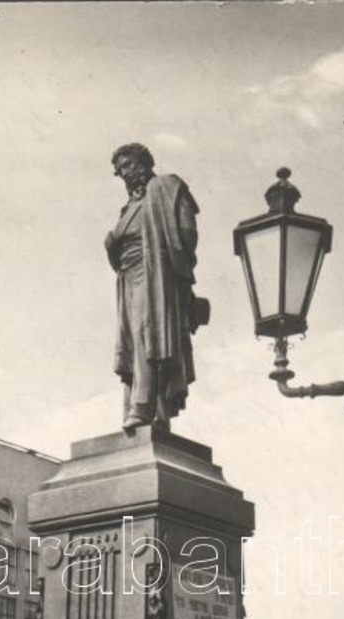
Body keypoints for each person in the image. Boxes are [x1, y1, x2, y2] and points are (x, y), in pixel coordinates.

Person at [105, 143, 209, 430]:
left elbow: (187, 232)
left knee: (146, 336)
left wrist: (172, 268)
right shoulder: (129, 206)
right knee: (131, 342)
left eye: (125, 165)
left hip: (155, 274)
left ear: (142, 163)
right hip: (128, 275)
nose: (120, 173)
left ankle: (143, 406)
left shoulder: (166, 187)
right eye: (118, 169)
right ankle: (147, 409)